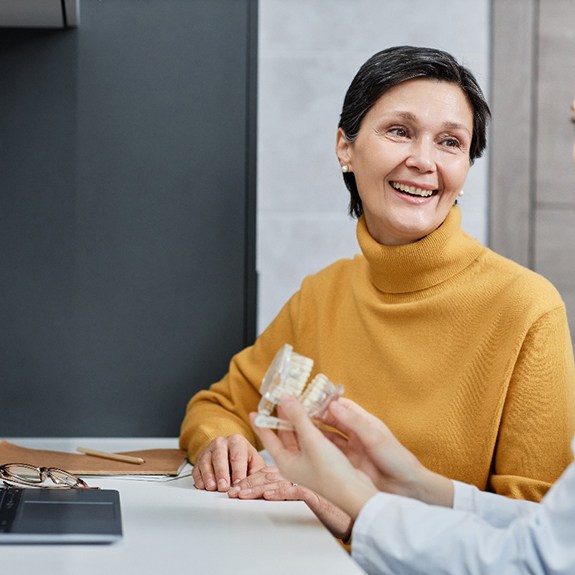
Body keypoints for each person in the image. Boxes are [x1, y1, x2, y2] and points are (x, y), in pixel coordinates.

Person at [179, 46, 575, 537]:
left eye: (450, 142)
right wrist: (222, 445)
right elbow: (216, 407)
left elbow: (540, 533)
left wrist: (359, 519)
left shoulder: (527, 308)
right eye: (400, 131)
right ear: (345, 147)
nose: (424, 161)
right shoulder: (321, 294)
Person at [251, 391, 575, 574]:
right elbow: (552, 531)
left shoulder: (527, 304)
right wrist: (414, 484)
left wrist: (359, 501)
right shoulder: (317, 292)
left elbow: (534, 564)